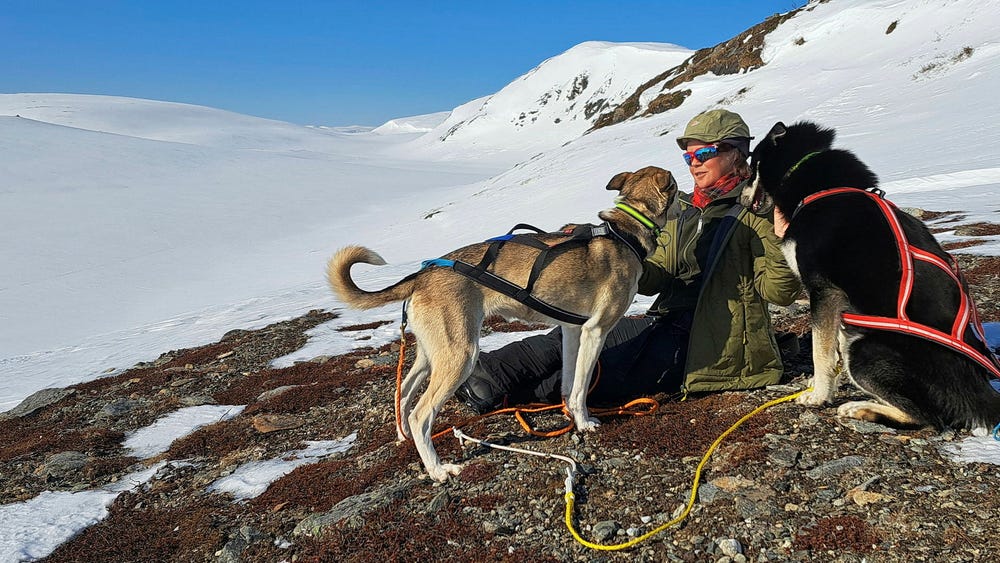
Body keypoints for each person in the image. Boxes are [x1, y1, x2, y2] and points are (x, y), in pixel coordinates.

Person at [455, 109, 802, 413]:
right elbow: (658, 276)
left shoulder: (756, 212)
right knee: (566, 335)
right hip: (666, 319)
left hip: (712, 341)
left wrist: (780, 230)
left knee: (599, 372)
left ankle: (507, 397)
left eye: (705, 153)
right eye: (689, 157)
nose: (694, 162)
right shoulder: (682, 209)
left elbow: (779, 292)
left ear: (738, 154)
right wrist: (616, 253)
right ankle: (479, 374)